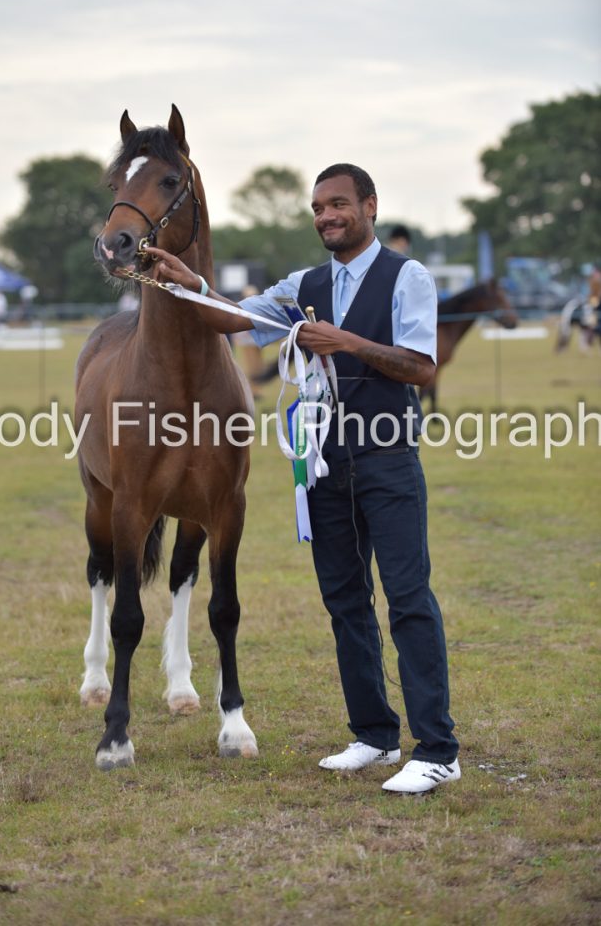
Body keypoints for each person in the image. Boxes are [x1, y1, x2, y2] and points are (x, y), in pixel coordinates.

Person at [147, 163, 459, 794]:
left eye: (338, 204)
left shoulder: (408, 277)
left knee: (407, 599)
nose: (326, 216)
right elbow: (232, 318)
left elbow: (420, 367)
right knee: (344, 600)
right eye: (318, 208)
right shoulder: (303, 285)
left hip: (387, 457)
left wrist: (346, 342)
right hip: (322, 461)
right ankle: (374, 735)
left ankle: (436, 749)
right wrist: (191, 283)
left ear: (369, 206)